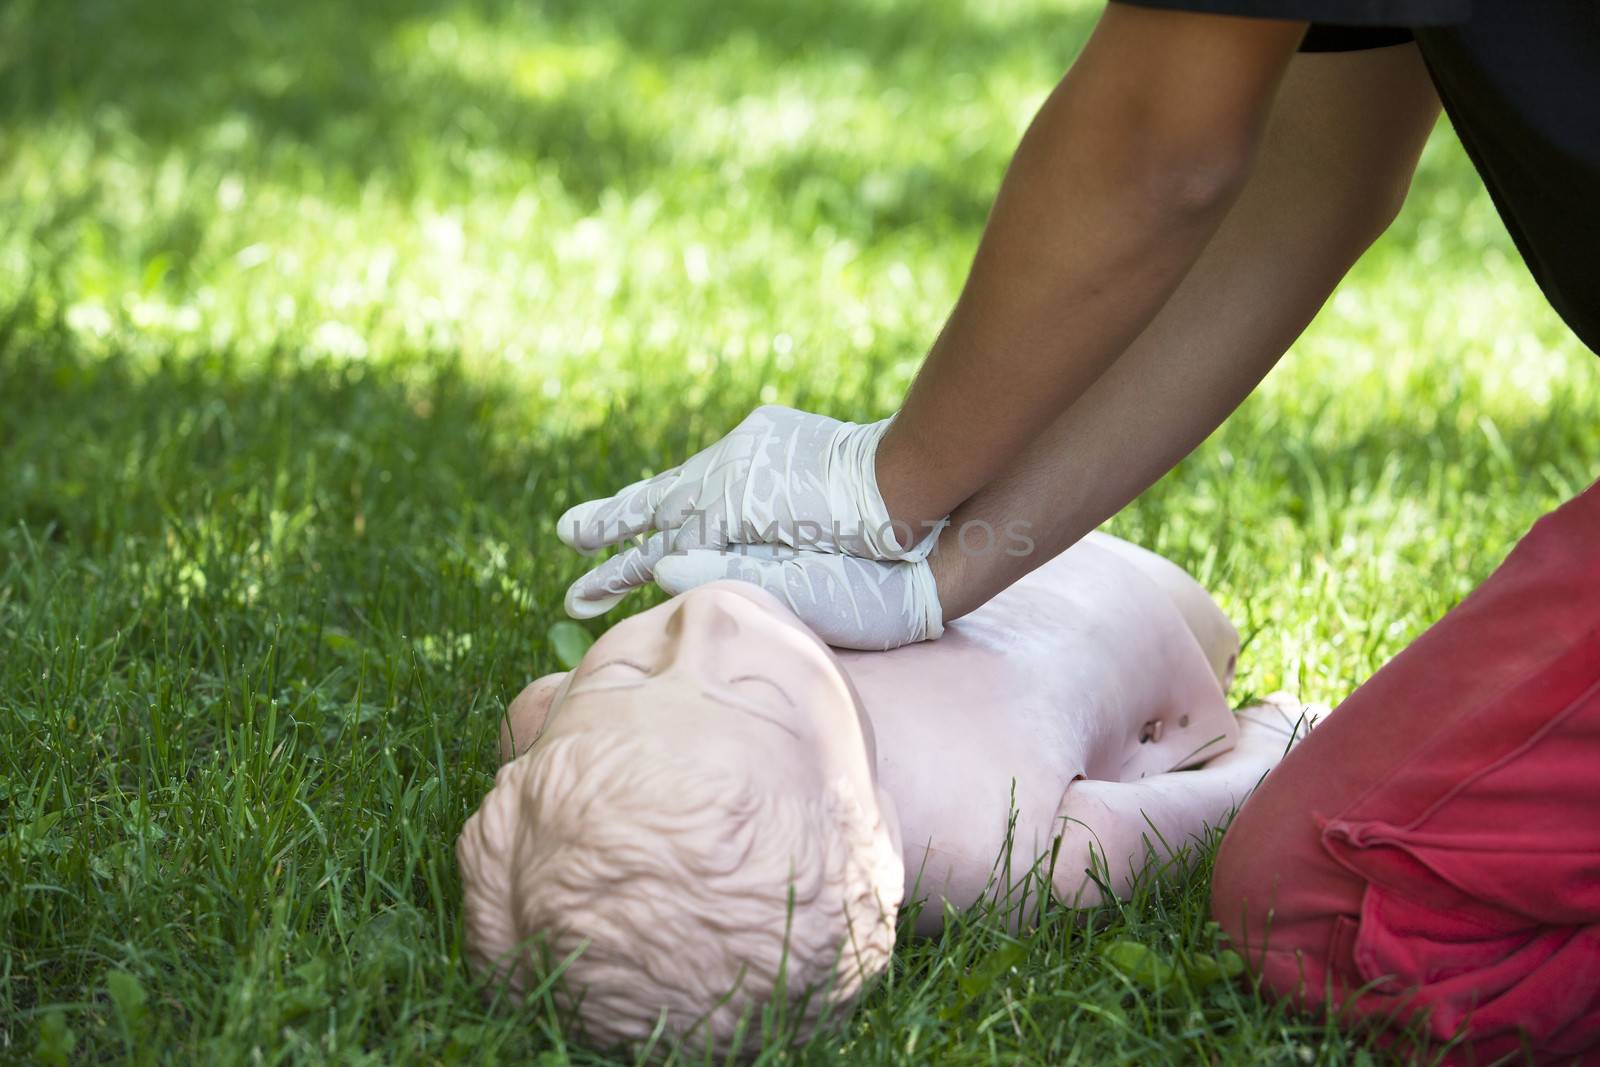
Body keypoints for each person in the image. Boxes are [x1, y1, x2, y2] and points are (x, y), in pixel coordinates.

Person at [553, 2, 1600, 1059]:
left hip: (1125, 612)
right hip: (1131, 627)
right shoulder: (965, 842)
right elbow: (1324, 161)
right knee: (1330, 886)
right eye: (726, 687)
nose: (705, 635)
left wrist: (891, 478)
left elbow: (1165, 141)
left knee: (1330, 898)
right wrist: (938, 562)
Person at [458, 535, 1314, 1056]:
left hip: (980, 517)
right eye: (750, 690)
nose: (706, 623)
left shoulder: (560, 734)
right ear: (864, 832)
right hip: (1130, 594)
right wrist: (1275, 743)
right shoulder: (1002, 842)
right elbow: (1185, 815)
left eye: (635, 671)